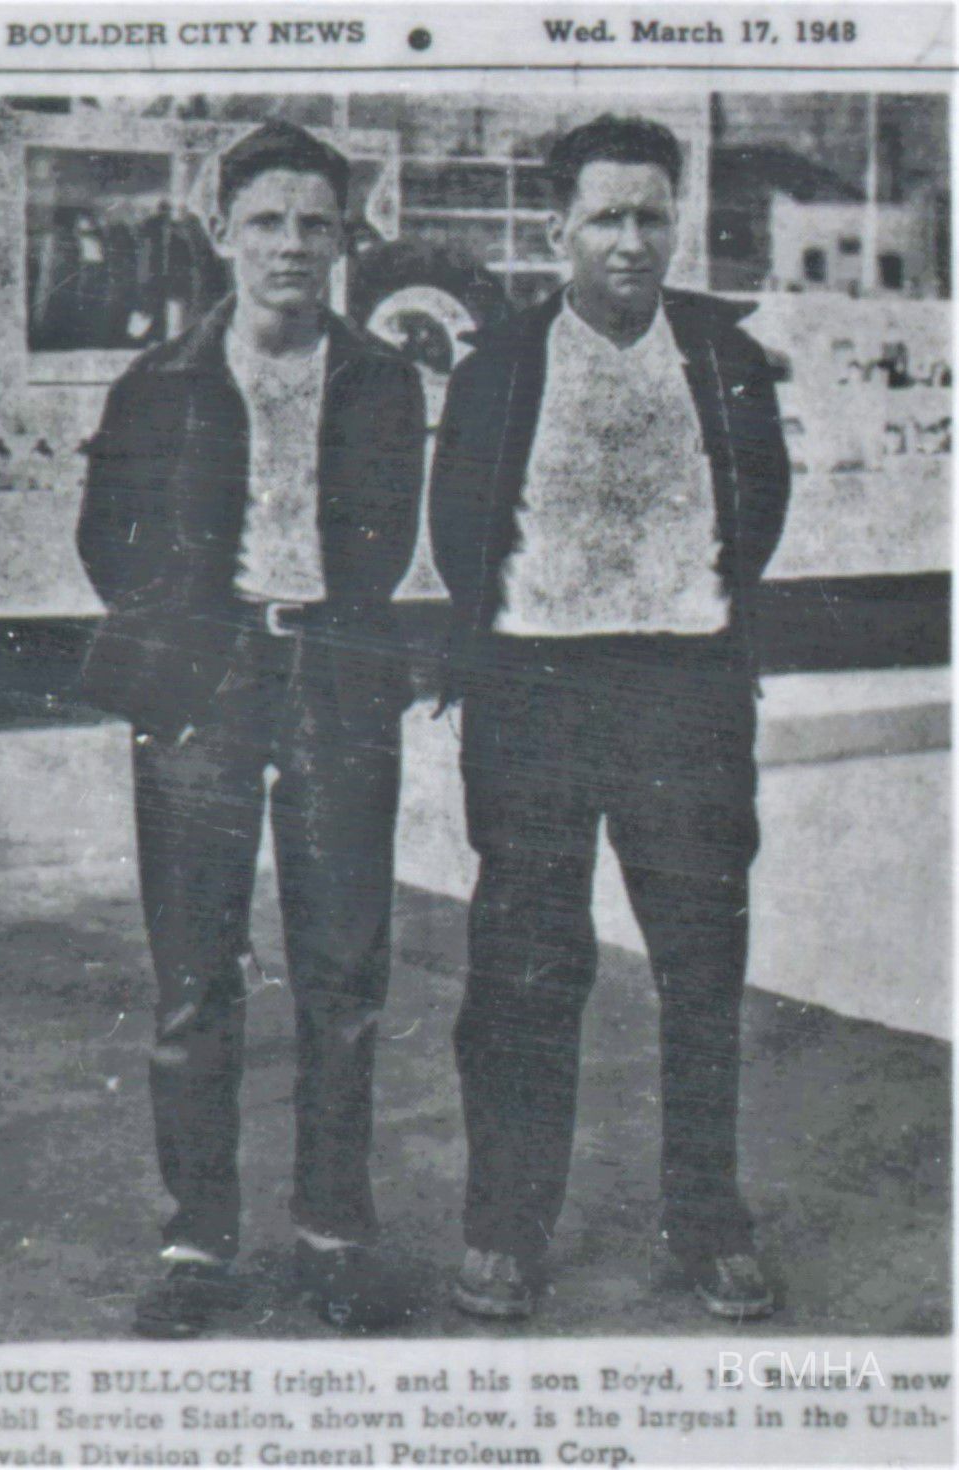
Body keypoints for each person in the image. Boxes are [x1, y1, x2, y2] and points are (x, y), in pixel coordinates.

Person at [430, 114, 791, 1321]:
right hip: (533, 693)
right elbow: (459, 528)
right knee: (524, 975)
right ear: (557, 230)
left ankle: (707, 1223)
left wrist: (692, 626)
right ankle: (504, 1233)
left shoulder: (723, 358)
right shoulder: (499, 365)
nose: (630, 241)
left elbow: (758, 510)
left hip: (684, 694)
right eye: (604, 218)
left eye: (650, 216)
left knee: (700, 969)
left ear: (674, 223)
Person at [77, 120, 425, 1337]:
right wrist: (183, 636)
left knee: (343, 974)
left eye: (314, 224)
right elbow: (105, 539)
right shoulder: (160, 380)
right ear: (221, 232)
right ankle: (197, 1244)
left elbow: (386, 539)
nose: (291, 244)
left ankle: (333, 1235)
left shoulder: (381, 380)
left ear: (343, 240)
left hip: (334, 677)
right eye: (267, 221)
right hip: (205, 680)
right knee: (194, 977)